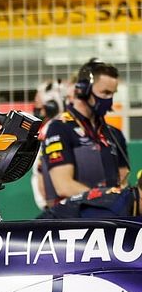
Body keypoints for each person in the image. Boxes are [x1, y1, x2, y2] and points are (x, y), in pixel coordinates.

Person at [40, 59, 129, 209]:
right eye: (105, 93)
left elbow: (123, 181)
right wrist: (107, 200)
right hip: (73, 220)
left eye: (112, 94)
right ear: (83, 89)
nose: (109, 100)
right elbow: (64, 186)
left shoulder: (114, 134)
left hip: (109, 219)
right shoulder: (59, 128)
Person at [30, 79, 67, 210]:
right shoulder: (53, 127)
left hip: (58, 205)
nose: (36, 109)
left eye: (39, 105)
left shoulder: (54, 129)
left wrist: (51, 203)